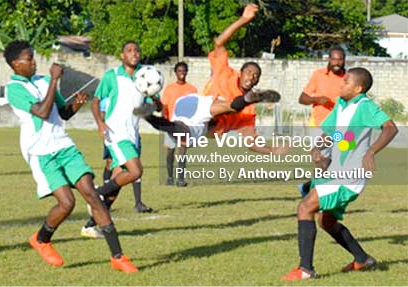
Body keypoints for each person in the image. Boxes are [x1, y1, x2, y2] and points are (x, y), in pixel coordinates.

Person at [3, 40, 138, 273]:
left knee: (93, 196)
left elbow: (61, 113)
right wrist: (55, 79)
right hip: (41, 151)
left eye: (34, 57)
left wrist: (75, 104)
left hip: (64, 146)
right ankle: (42, 239)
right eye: (29, 58)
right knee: (67, 203)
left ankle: (118, 256)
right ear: (16, 64)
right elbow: (42, 113)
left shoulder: (43, 81)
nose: (34, 62)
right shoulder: (14, 89)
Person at [282, 68, 397, 280]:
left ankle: (306, 269)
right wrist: (318, 147)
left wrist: (371, 151)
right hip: (334, 173)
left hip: (348, 177)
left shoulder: (365, 106)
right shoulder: (342, 106)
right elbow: (335, 133)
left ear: (358, 88)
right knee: (326, 222)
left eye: (345, 82)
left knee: (305, 207)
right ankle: (363, 260)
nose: (340, 85)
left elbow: (390, 128)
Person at [134, 4, 283, 156]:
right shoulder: (225, 72)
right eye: (249, 72)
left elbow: (251, 141)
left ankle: (148, 116)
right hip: (200, 105)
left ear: (257, 82)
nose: (252, 77)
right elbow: (219, 43)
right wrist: (243, 20)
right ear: (241, 73)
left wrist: (273, 151)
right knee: (228, 107)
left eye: (256, 76)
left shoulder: (249, 113)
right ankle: (242, 101)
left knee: (177, 131)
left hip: (198, 120)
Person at [88, 41, 154, 221]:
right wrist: (100, 123)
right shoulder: (112, 76)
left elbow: (147, 107)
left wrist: (154, 105)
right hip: (116, 133)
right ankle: (96, 194)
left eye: (137, 50)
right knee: (135, 171)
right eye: (129, 51)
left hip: (133, 135)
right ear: (122, 56)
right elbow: (96, 101)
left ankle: (92, 224)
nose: (134, 53)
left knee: (116, 186)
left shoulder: (146, 76)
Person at [296, 46, 347, 197]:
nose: (337, 62)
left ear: (344, 60)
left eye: (340, 59)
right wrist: (317, 99)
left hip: (340, 127)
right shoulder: (318, 75)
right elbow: (302, 98)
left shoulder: (348, 78)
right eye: (334, 59)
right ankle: (319, 195)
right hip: (319, 124)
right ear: (329, 59)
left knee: (334, 163)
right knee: (321, 159)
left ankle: (307, 187)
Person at [160, 62, 198, 186]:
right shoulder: (169, 88)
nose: (182, 73)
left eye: (184, 71)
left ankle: (180, 179)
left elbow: (195, 106)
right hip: (171, 124)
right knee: (170, 151)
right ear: (175, 72)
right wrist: (163, 122)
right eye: (179, 71)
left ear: (187, 72)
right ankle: (170, 177)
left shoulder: (192, 89)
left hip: (185, 125)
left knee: (182, 152)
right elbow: (164, 107)